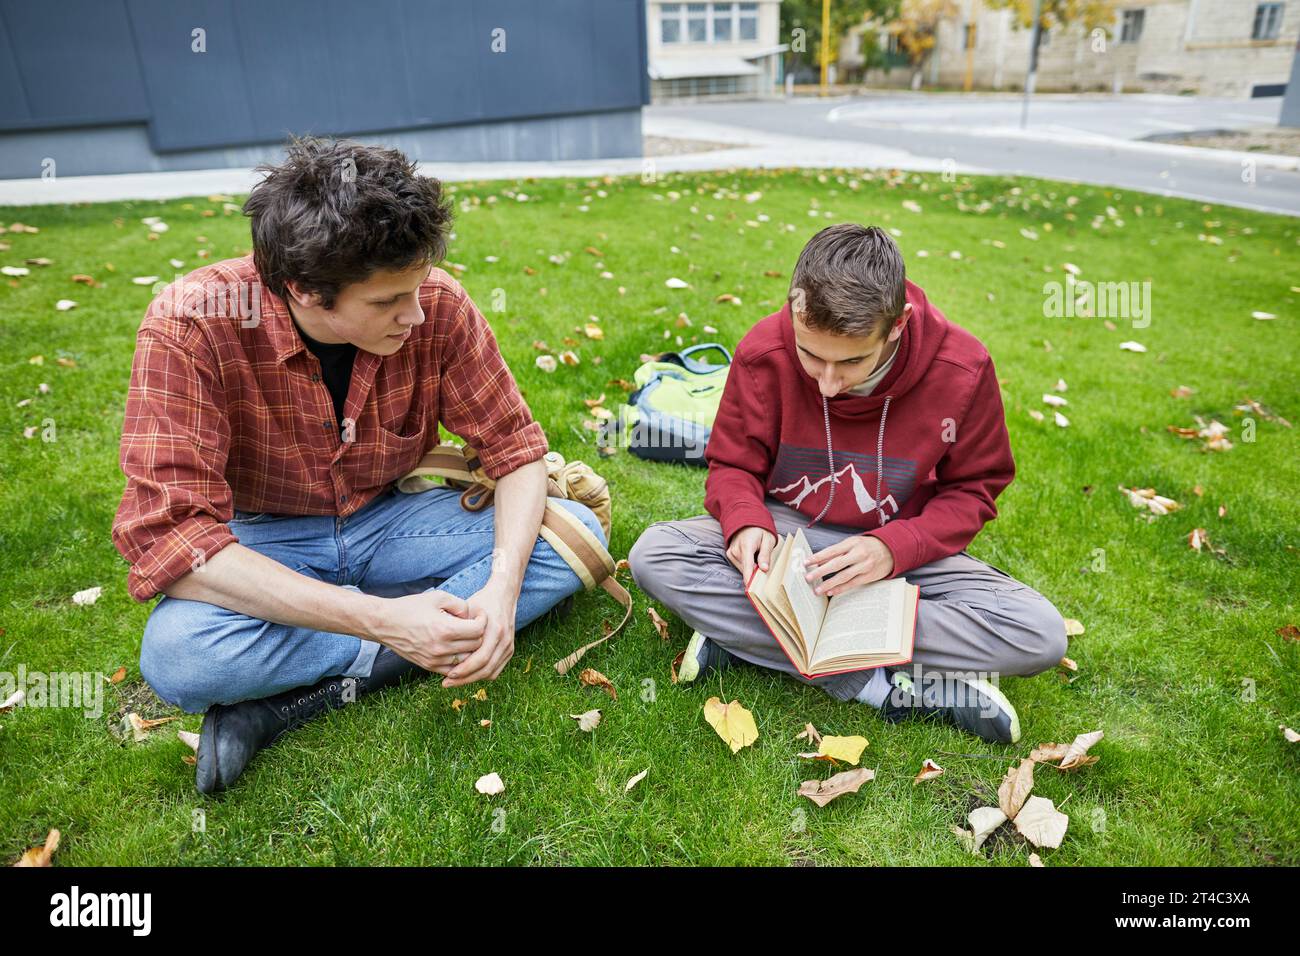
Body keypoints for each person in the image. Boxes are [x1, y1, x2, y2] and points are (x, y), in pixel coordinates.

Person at [111, 137, 603, 794]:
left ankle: (286, 703)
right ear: (304, 290)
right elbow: (173, 538)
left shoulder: (439, 305)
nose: (418, 312)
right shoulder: (192, 323)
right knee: (180, 657)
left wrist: (500, 589)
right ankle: (411, 629)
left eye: (419, 286)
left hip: (391, 517)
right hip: (263, 538)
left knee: (574, 535)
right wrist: (382, 618)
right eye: (386, 302)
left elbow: (516, 453)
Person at [629, 223, 1067, 744]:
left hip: (902, 557)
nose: (829, 384)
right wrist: (746, 523)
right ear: (795, 313)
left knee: (1039, 633)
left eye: (853, 361)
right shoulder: (762, 351)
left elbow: (974, 490)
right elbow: (732, 465)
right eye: (811, 356)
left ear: (898, 324)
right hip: (790, 543)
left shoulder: (963, 368)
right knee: (653, 555)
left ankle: (746, 638)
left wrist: (892, 548)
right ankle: (881, 687)